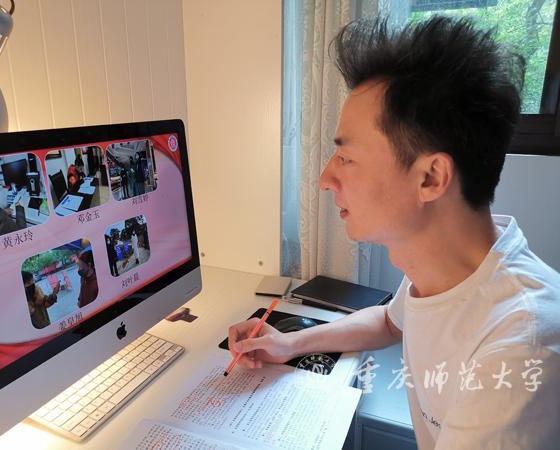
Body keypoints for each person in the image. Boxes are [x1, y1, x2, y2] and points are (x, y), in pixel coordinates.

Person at [228, 16, 560, 449]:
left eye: (346, 158)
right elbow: (389, 320)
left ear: (430, 178)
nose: (325, 179)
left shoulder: (521, 350)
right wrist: (290, 343)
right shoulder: (444, 264)